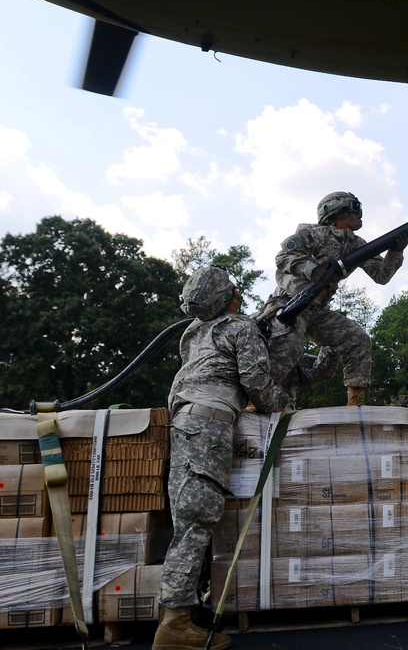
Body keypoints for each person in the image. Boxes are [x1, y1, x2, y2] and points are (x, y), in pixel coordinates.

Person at [155, 266, 289, 650]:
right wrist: (284, 406)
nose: (239, 295)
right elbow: (257, 384)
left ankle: (183, 612)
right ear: (228, 299)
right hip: (208, 428)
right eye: (234, 291)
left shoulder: (193, 332)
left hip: (185, 425)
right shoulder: (240, 328)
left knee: (188, 518)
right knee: (197, 520)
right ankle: (175, 625)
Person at [266, 191, 408, 406]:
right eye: (355, 209)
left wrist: (396, 251)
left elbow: (381, 275)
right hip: (290, 305)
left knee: (357, 339)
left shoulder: (357, 244)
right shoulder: (313, 234)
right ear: (338, 211)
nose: (360, 215)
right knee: (289, 346)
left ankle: (356, 402)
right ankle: (256, 398)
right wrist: (314, 271)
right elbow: (283, 257)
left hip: (318, 312)